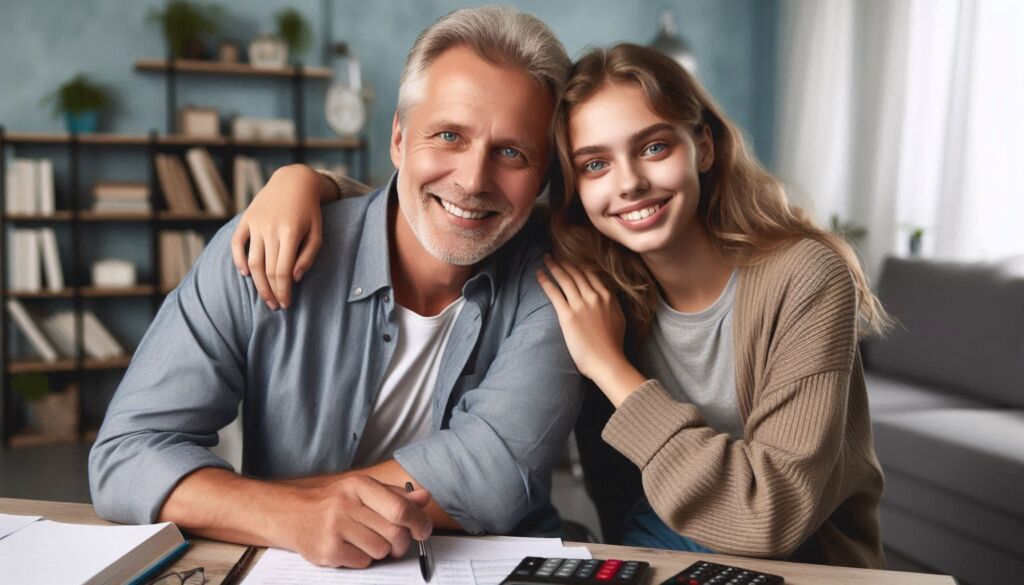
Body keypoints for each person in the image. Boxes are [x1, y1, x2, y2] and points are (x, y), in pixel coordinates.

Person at [235, 43, 890, 569]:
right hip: (647, 546)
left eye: (654, 146)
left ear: (706, 146)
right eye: (595, 164)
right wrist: (303, 182)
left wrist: (612, 369)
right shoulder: (590, 258)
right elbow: (456, 206)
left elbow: (768, 518)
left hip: (799, 562)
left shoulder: (803, 274)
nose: (630, 181)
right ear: (573, 186)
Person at [89, 5, 583, 570]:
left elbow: (492, 477)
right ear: (398, 140)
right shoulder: (263, 246)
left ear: (543, 178)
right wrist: (289, 518)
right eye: (448, 135)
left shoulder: (559, 281)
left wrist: (257, 504)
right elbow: (126, 456)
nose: (472, 180)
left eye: (512, 153)